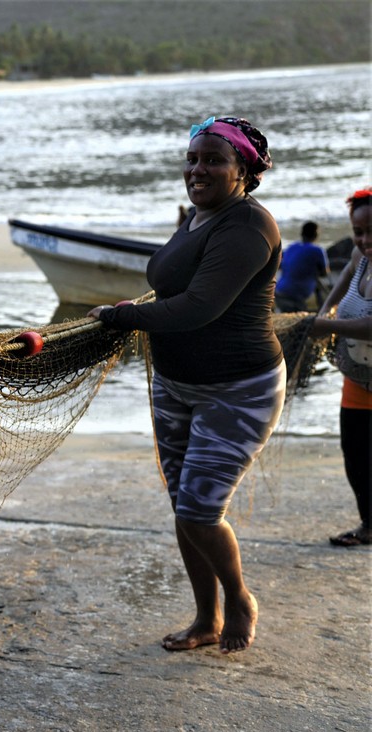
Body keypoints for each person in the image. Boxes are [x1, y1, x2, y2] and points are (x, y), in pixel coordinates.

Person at [89, 116, 285, 655]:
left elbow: (200, 307)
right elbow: (173, 285)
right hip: (175, 385)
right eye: (192, 159)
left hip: (238, 389)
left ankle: (239, 598)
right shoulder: (199, 217)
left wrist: (123, 316)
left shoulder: (247, 226)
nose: (198, 169)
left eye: (213, 161)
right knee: (184, 508)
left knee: (200, 510)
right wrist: (134, 313)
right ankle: (205, 617)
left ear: (243, 170)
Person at [310, 188, 372, 546]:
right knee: (355, 455)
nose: (365, 240)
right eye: (359, 232)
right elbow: (342, 282)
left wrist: (328, 327)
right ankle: (369, 525)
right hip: (357, 379)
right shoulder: (358, 257)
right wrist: (322, 314)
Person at [274, 221, 329, 312]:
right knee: (317, 283)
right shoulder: (317, 250)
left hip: (279, 292)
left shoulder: (291, 247)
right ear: (316, 235)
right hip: (294, 298)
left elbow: (281, 266)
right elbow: (325, 273)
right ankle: (322, 312)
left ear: (302, 234)